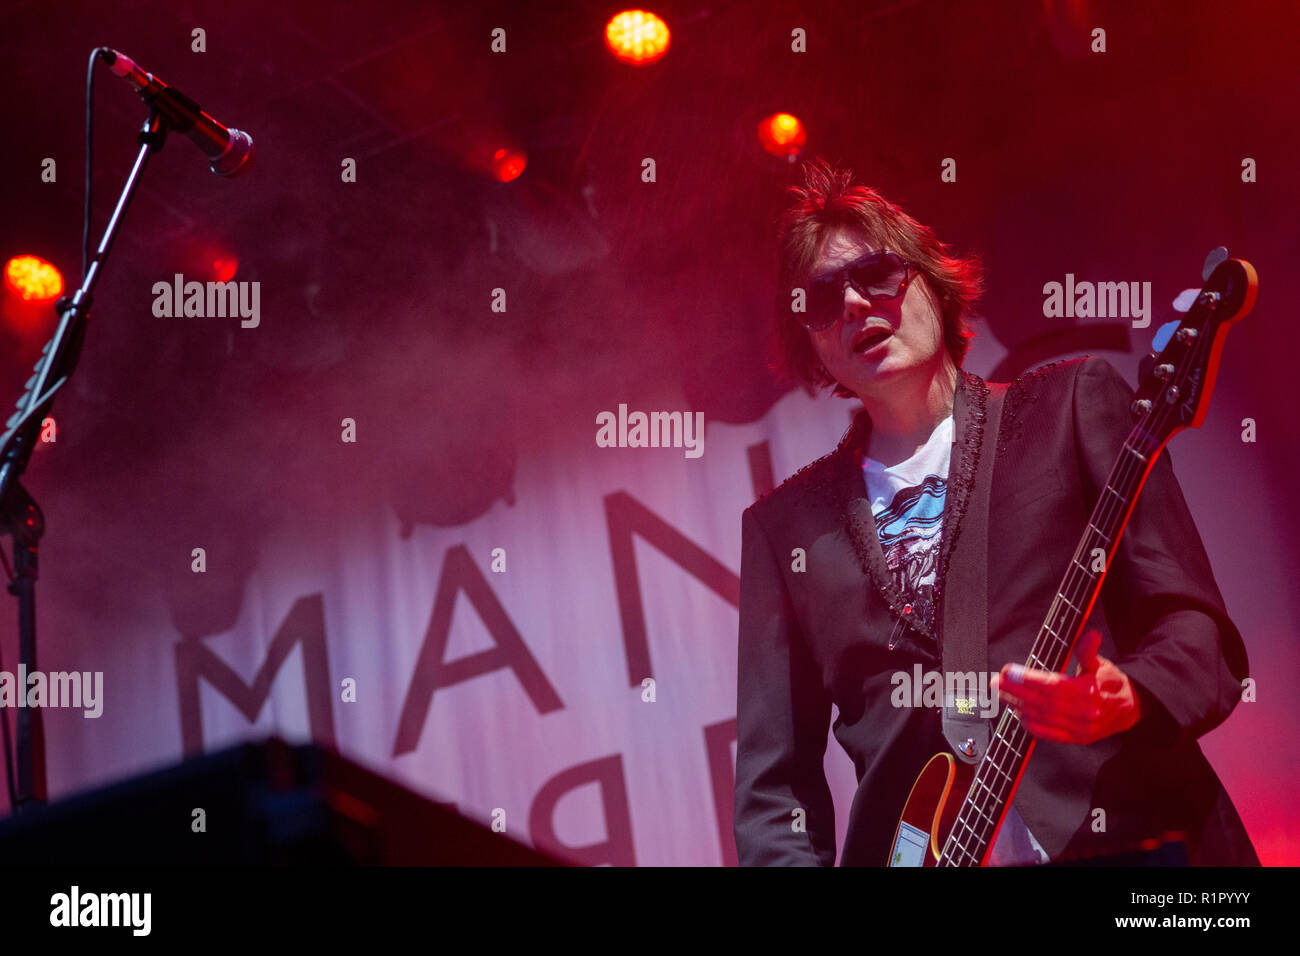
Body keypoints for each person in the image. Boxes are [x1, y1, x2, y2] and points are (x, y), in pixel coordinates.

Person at [733, 157, 1259, 866]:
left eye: (878, 277)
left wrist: (1127, 695)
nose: (855, 305)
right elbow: (776, 795)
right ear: (814, 346)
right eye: (823, 299)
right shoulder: (785, 529)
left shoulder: (1069, 407)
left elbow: (1194, 627)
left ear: (932, 282)